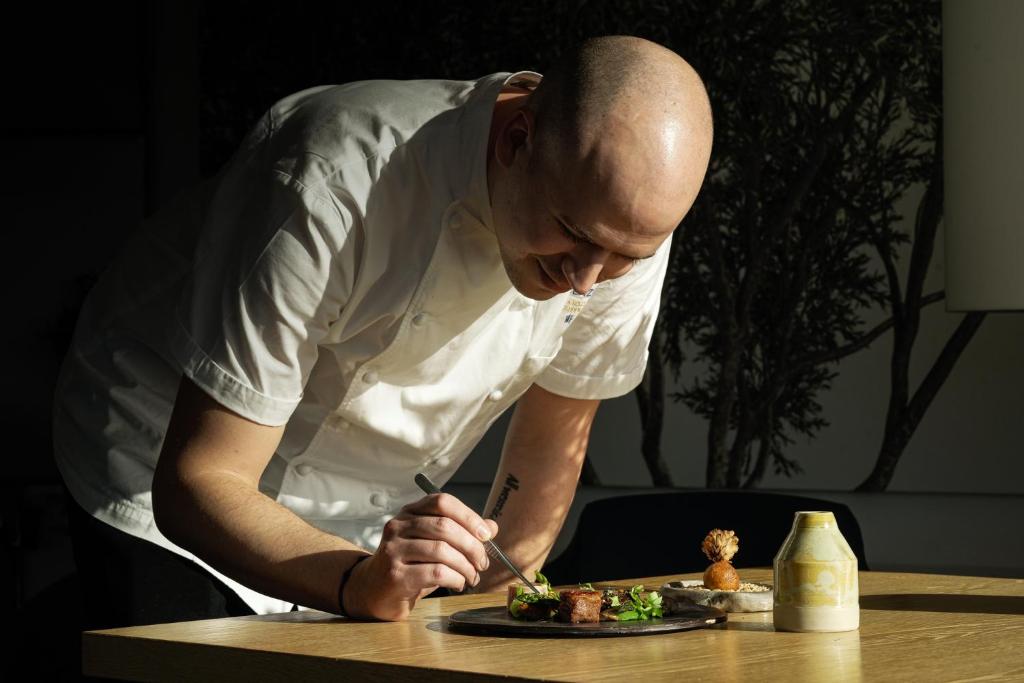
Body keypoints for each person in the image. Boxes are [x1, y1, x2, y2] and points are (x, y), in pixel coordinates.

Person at [52, 34, 713, 625]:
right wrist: (354, 584)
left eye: (625, 257)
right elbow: (199, 479)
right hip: (161, 459)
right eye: (570, 233)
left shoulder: (619, 223)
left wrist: (503, 616)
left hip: (372, 514)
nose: (587, 281)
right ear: (517, 141)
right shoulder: (331, 183)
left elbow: (548, 451)